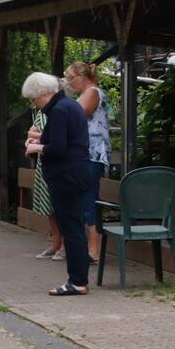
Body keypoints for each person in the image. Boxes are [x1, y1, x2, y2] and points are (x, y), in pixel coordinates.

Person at [21, 72, 91, 296]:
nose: (35, 104)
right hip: (75, 171)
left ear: (44, 93)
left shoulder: (59, 110)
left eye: (34, 98)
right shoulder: (69, 106)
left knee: (71, 228)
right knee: (74, 226)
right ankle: (78, 279)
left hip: (66, 174)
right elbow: (64, 139)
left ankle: (78, 281)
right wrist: (40, 139)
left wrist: (35, 148)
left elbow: (59, 147)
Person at [65, 62, 112, 263]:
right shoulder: (83, 95)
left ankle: (94, 249)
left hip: (93, 153)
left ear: (82, 76)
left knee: (89, 197)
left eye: (70, 78)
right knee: (83, 197)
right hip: (83, 153)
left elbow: (76, 117)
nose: (68, 82)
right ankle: (88, 247)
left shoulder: (92, 92)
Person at [28, 107, 64, 260]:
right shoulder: (41, 112)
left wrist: (41, 137)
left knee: (62, 206)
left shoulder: (62, 111)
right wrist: (43, 137)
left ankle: (65, 246)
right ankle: (56, 243)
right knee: (49, 205)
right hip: (43, 162)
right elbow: (31, 132)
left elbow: (59, 139)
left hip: (60, 164)